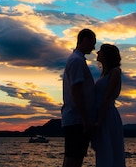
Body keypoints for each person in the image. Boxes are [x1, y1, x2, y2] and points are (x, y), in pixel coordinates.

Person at [62, 28, 97, 167]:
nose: (94, 47)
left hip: (76, 119)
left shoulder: (77, 60)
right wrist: (85, 119)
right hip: (77, 120)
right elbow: (76, 91)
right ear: (85, 40)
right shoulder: (76, 61)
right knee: (73, 160)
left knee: (74, 158)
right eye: (93, 42)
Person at [92, 43, 126, 167]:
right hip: (102, 113)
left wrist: (99, 121)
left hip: (107, 114)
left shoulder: (115, 72)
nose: (97, 53)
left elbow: (107, 97)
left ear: (107, 55)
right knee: (103, 151)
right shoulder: (105, 74)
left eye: (100, 51)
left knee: (108, 150)